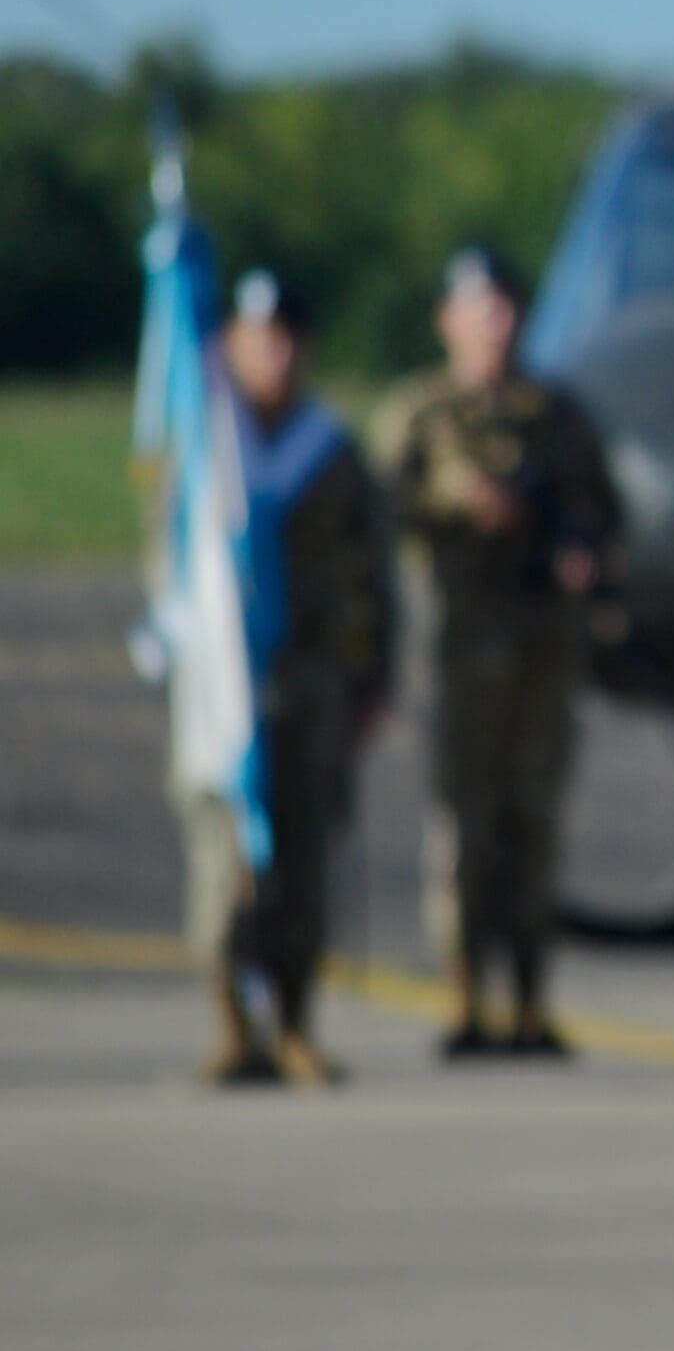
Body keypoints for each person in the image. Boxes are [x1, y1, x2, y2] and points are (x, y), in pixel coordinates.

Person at [377, 247, 622, 1059]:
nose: (498, 327)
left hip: (543, 650)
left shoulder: (559, 416)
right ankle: (463, 999)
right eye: (481, 311)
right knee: (462, 826)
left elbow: (603, 515)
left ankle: (527, 1002)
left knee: (535, 821)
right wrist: (460, 500)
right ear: (450, 322)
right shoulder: (420, 414)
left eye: (508, 310)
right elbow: (380, 515)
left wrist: (581, 550)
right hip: (461, 650)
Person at [173, 271, 393, 1085]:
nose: (275, 352)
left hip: (311, 685)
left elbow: (374, 573)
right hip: (223, 692)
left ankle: (295, 1022)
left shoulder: (329, 452)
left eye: (290, 337)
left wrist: (377, 676)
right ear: (229, 342)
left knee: (303, 854)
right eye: (259, 336)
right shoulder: (204, 449)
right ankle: (232, 1026)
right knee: (221, 858)